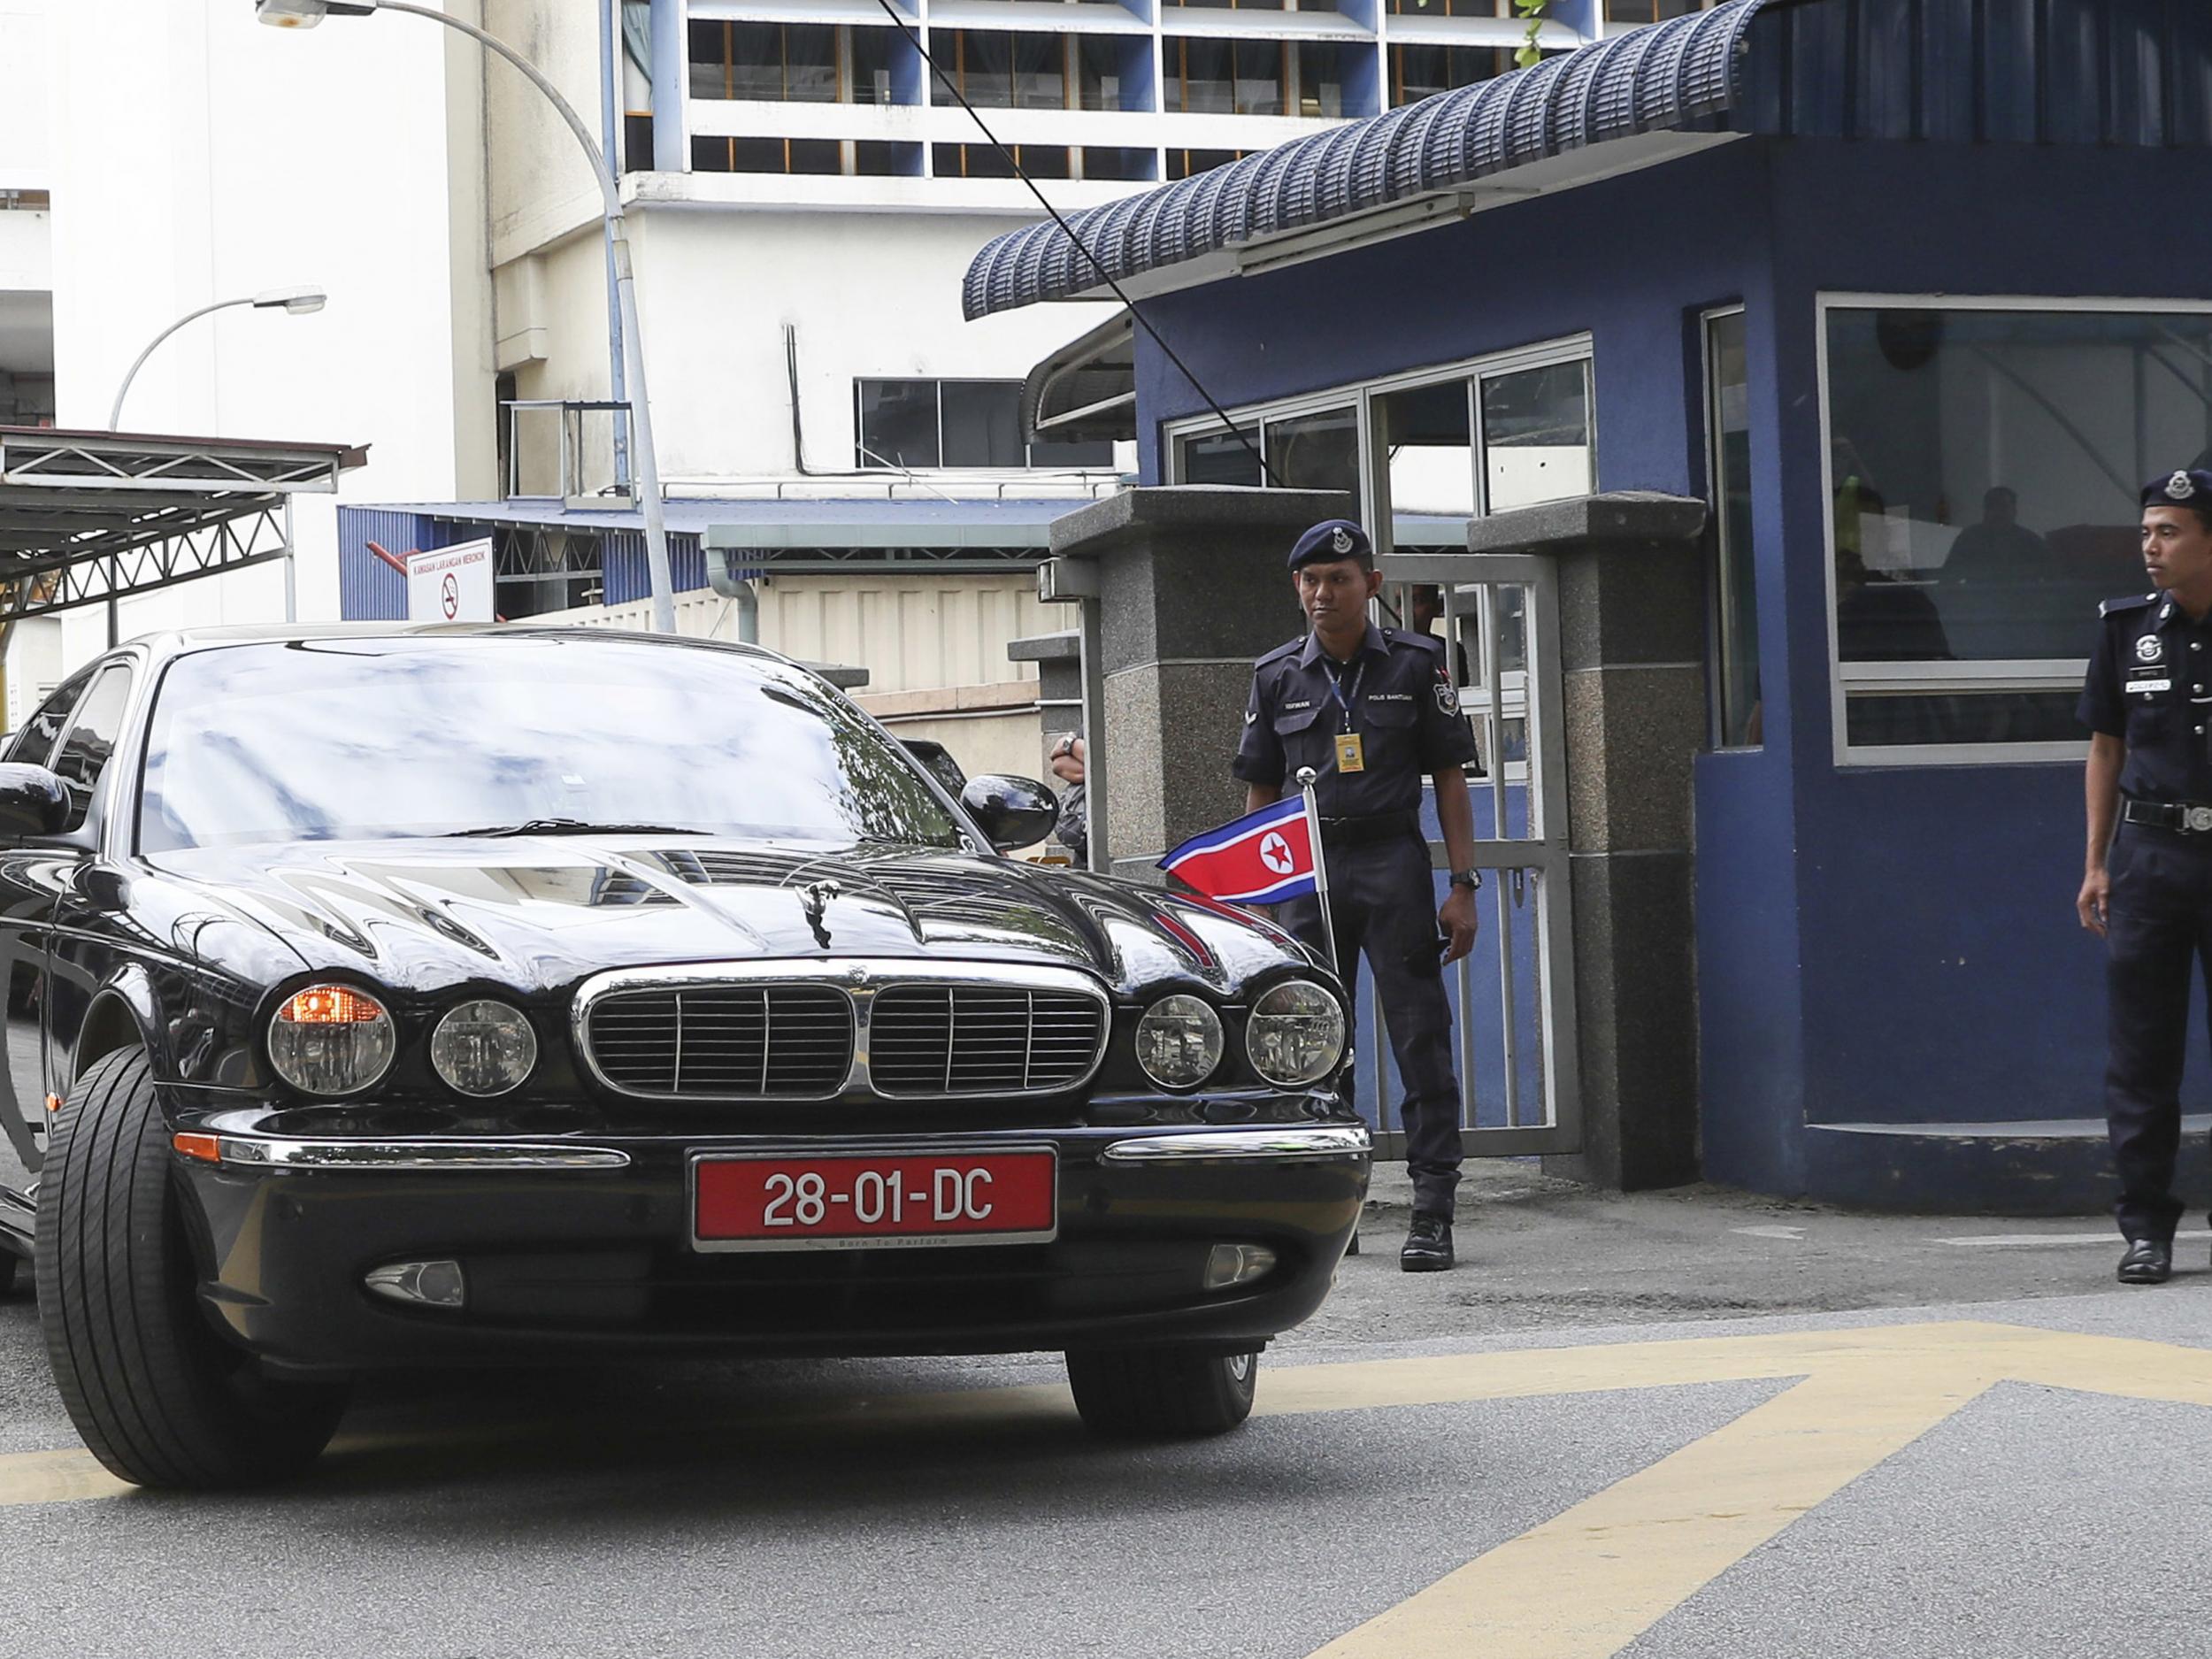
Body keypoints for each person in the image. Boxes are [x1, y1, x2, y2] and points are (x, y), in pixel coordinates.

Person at [1233, 519, 1483, 1271]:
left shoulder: (1417, 663)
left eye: (1337, 578)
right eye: (1309, 580)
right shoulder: (1277, 674)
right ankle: (1330, 1211)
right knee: (1312, 1043)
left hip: (1390, 863)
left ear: (1371, 585)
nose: (1321, 593)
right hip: (1308, 874)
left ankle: (1432, 1210)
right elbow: (1262, 792)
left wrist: (1462, 883)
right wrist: (1256, 901)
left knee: (1419, 1036)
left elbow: (1448, 779)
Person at [2077, 466, 2212, 1286]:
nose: (2150, 548)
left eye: (2169, 532)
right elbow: (2106, 748)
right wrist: (2095, 861)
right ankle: (2146, 1229)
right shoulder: (2128, 629)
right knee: (2141, 1052)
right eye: (2146, 532)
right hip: (2151, 860)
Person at [1942, 486, 2054, 588]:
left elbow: (2053, 576)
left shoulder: (2030, 540)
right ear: (1985, 511)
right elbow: (1948, 577)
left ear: (2014, 511)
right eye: (1992, 506)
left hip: (2023, 603)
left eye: (2003, 507)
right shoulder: (1969, 538)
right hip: (1980, 603)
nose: (1997, 512)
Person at [1048, 733, 1087, 866]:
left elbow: (1105, 763)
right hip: (1086, 853)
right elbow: (1059, 764)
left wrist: (1071, 744)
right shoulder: (1088, 724)